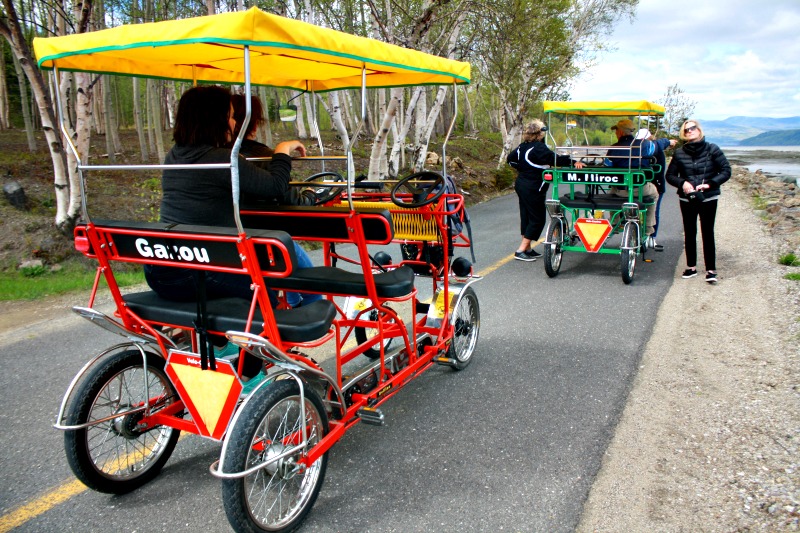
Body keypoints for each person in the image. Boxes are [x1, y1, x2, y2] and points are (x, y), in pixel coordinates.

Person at [143, 85, 307, 385]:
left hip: (159, 271)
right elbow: (274, 187)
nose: (234, 123)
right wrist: (282, 151)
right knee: (264, 287)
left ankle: (219, 345)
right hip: (195, 275)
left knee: (230, 274)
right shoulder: (222, 159)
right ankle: (251, 376)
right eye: (231, 116)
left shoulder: (174, 155)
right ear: (215, 119)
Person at [231, 93, 322, 308]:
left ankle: (291, 301)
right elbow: (292, 202)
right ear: (254, 124)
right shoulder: (266, 160)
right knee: (312, 290)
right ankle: (305, 316)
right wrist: (311, 194)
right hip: (267, 246)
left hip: (231, 248)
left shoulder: (219, 158)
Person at [507, 119, 584, 261]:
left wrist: (523, 168)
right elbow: (555, 160)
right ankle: (520, 250)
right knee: (537, 218)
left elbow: (510, 160)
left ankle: (527, 249)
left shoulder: (523, 146)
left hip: (521, 183)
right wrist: (573, 162)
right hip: (534, 186)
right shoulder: (538, 148)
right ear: (540, 133)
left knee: (526, 216)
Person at [665, 119, 731, 284]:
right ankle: (691, 267)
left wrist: (710, 184)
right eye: (686, 130)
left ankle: (711, 270)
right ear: (683, 134)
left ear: (699, 130)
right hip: (687, 198)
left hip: (708, 197)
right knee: (689, 232)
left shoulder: (712, 149)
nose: (690, 131)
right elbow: (670, 175)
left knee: (707, 232)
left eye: (692, 128)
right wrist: (683, 183)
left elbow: (726, 170)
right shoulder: (679, 153)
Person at [604, 119, 659, 242]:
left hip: (620, 190)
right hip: (640, 189)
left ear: (621, 132)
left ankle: (615, 221)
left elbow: (607, 166)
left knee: (611, 190)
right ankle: (648, 227)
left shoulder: (614, 148)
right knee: (654, 193)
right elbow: (656, 147)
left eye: (616, 131)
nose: (616, 133)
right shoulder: (645, 145)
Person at [635, 128, 677, 251]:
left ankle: (641, 235)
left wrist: (668, 142)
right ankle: (651, 236)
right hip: (654, 185)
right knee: (654, 210)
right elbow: (660, 143)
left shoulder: (635, 149)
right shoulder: (654, 147)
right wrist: (668, 142)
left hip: (636, 185)